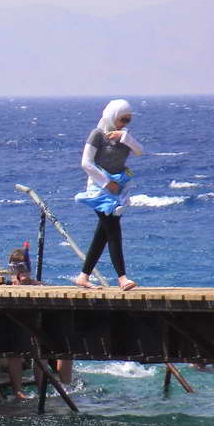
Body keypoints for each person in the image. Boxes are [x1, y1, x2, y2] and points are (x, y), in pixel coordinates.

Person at [75, 99, 143, 291]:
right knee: (113, 230)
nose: (124, 123)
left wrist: (125, 136)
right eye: (122, 119)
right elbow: (86, 163)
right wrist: (106, 182)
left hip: (118, 190)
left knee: (103, 234)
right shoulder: (97, 134)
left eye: (128, 120)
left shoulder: (123, 136)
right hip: (100, 191)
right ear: (112, 116)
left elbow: (139, 151)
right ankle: (122, 278)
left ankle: (83, 276)